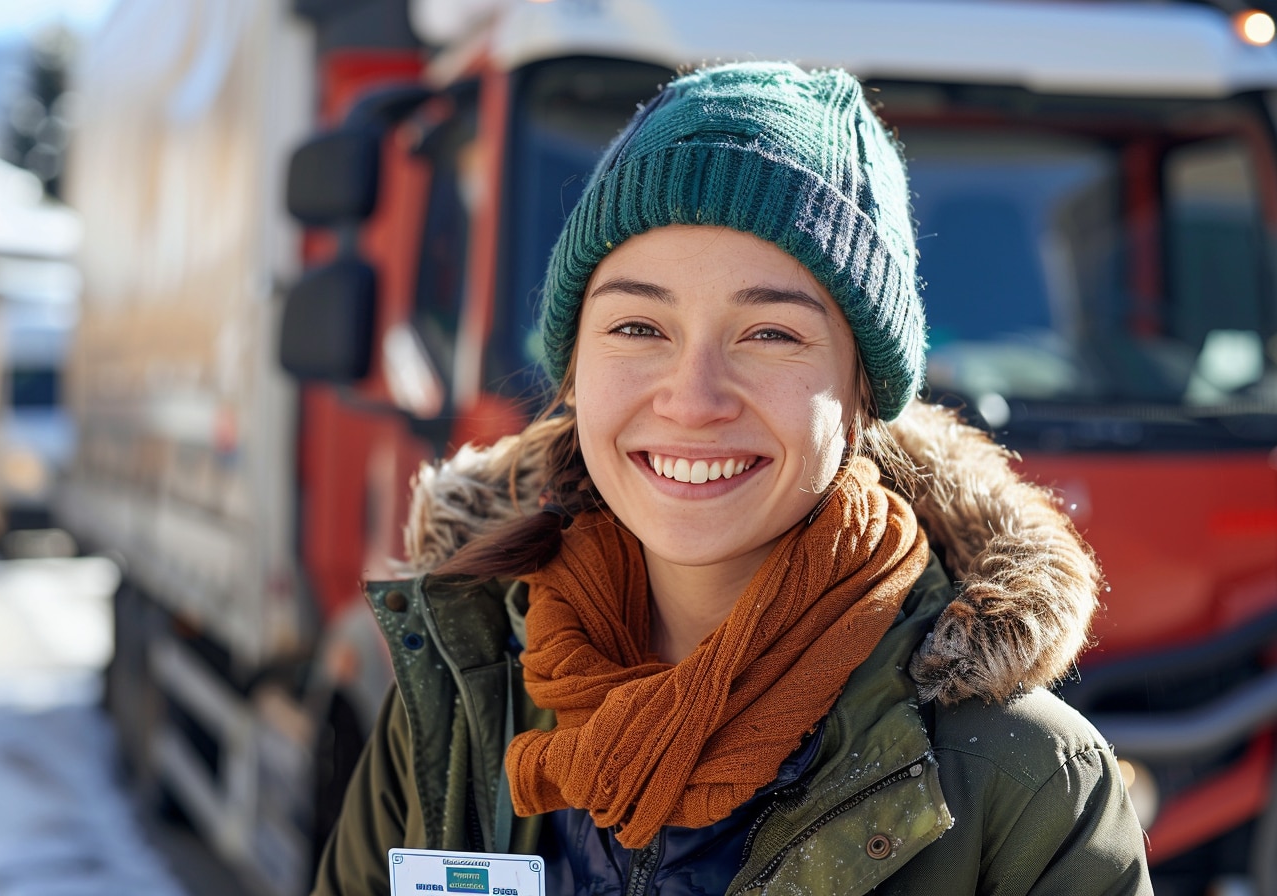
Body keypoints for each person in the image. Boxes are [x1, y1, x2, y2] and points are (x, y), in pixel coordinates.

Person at [312, 61, 1152, 895]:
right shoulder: (455, 711)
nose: (692, 399)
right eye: (639, 325)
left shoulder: (1027, 785)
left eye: (770, 334)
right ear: (572, 373)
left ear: (865, 392)